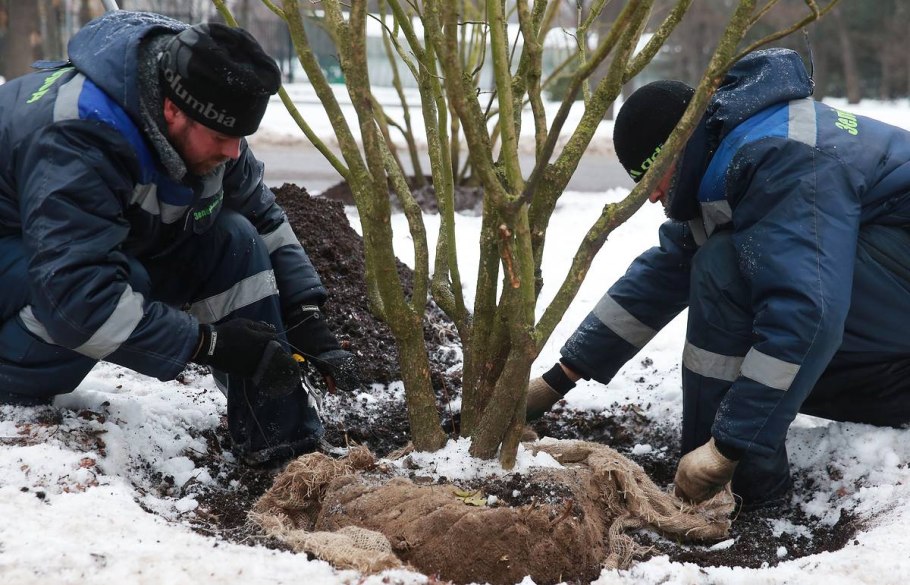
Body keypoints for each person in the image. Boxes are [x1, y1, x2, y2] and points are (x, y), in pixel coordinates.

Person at [527, 48, 910, 508]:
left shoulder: (782, 159)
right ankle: (722, 470)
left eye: (650, 180)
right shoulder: (734, 147)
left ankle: (743, 484)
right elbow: (664, 273)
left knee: (728, 269)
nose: (652, 198)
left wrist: (725, 449)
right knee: (729, 275)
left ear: (675, 150)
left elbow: (808, 313)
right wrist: (559, 378)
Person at [0, 11, 359, 466]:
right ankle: (12, 383)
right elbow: (77, 300)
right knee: (115, 284)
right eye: (223, 137)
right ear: (172, 110)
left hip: (63, 248)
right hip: (19, 251)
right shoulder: (78, 138)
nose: (234, 151)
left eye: (240, 137)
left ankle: (284, 450)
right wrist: (208, 344)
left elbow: (262, 215)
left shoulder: (206, 99)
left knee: (235, 238)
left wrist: (304, 311)